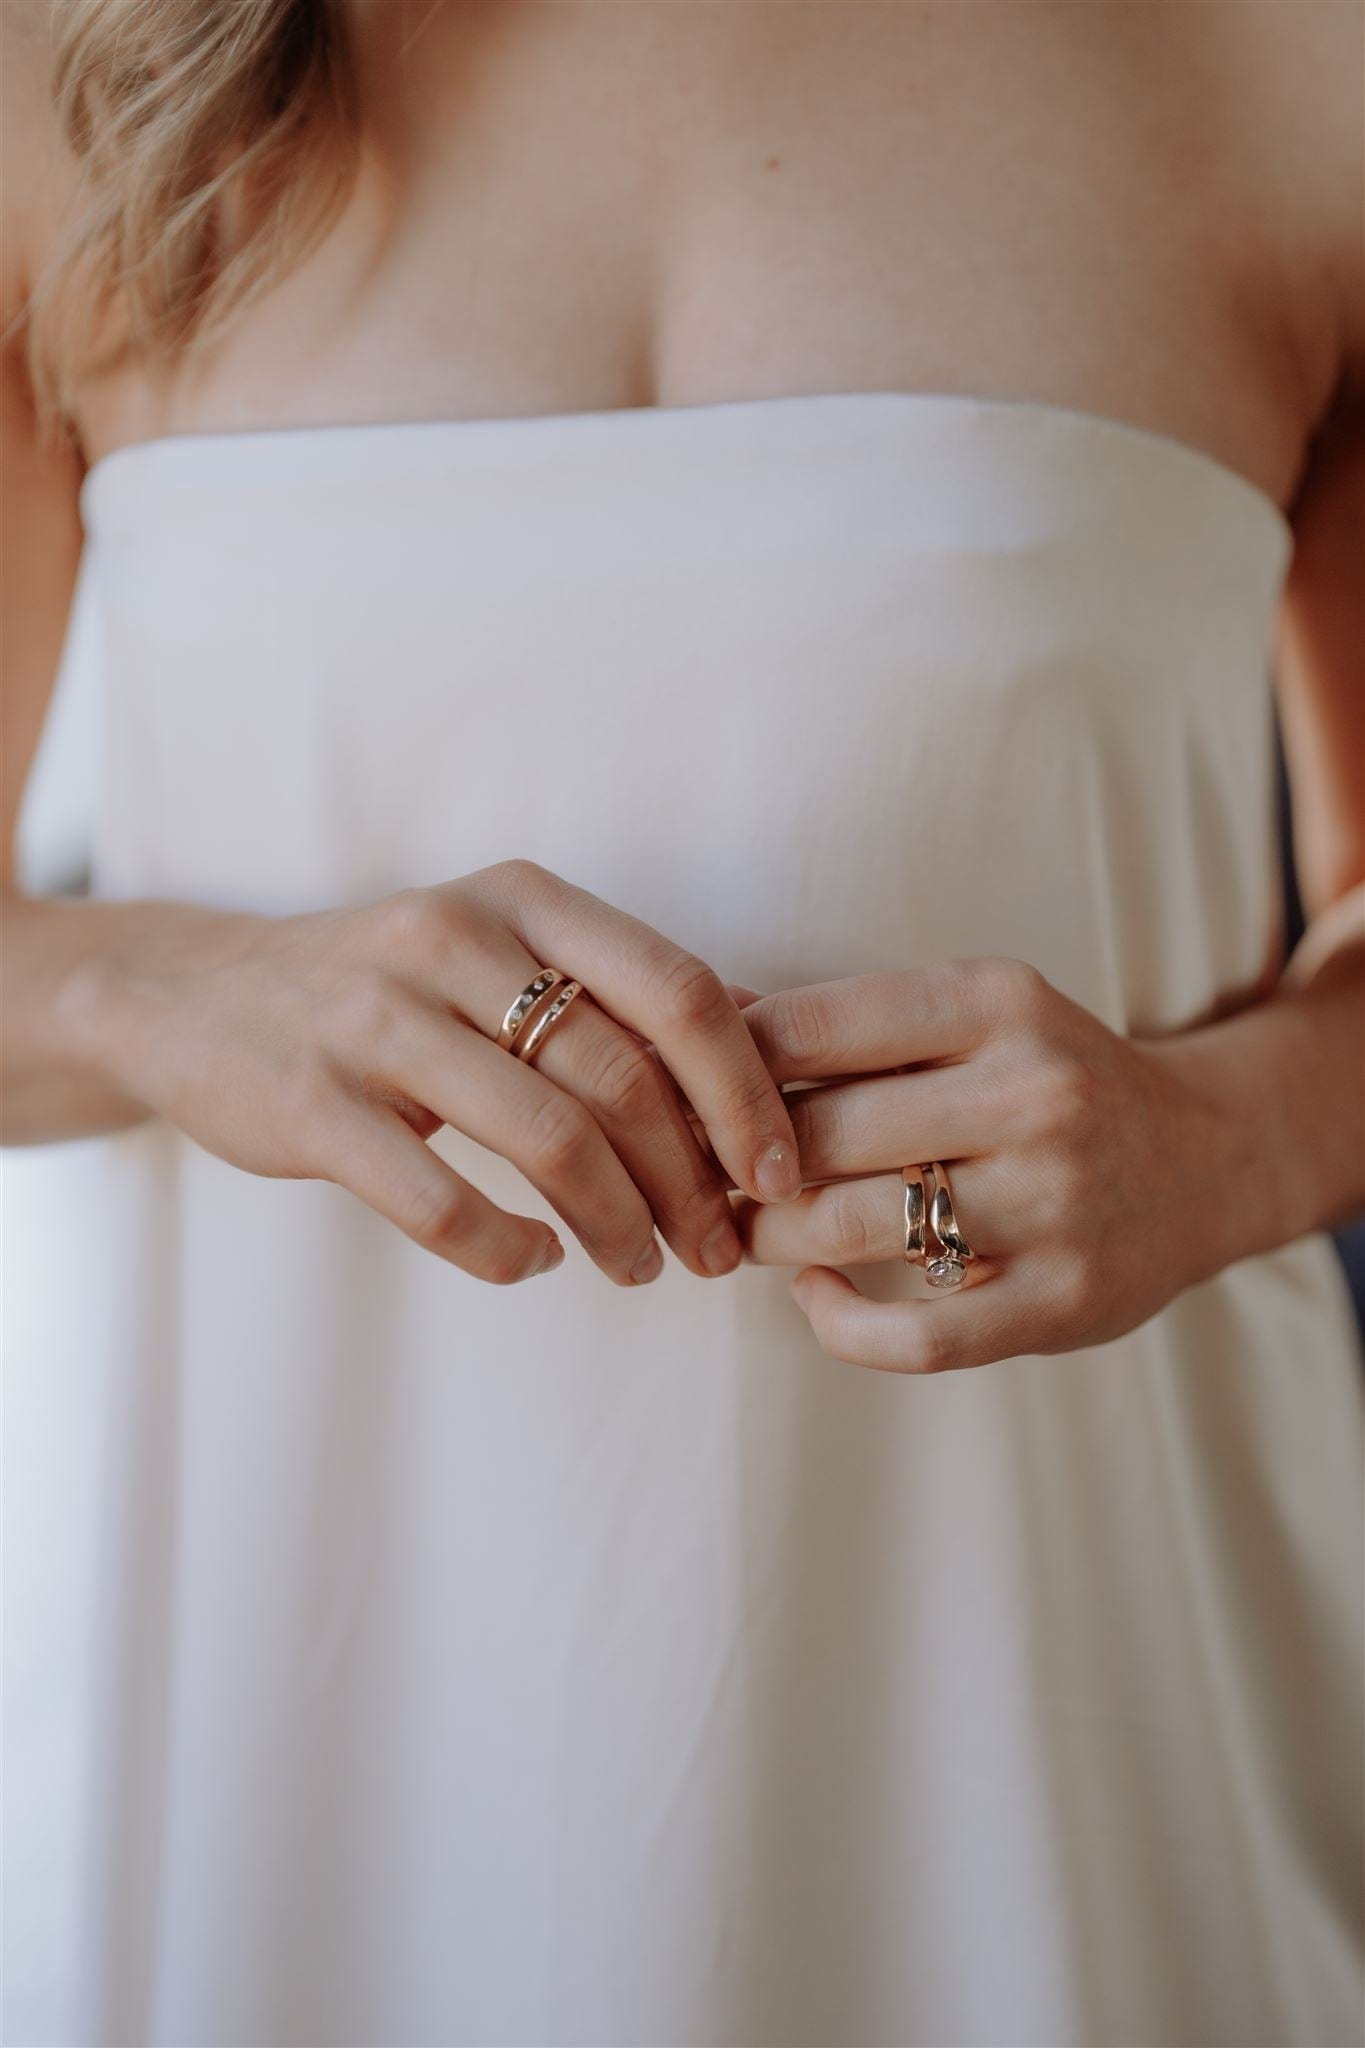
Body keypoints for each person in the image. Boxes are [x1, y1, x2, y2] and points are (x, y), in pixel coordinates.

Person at [3, 2, 1362, 2042]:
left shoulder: (1287, 70)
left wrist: (1236, 1130)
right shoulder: (76, 67)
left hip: (1053, 1757)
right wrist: (177, 985)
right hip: (272, 1749)